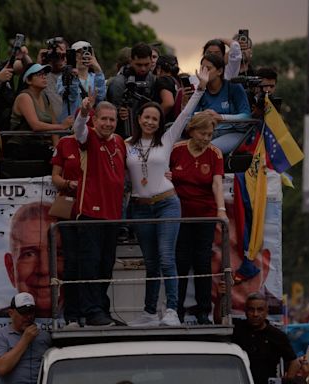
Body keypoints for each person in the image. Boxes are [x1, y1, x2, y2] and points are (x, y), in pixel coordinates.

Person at [125, 67, 208, 327]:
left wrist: (201, 88)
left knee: (165, 257)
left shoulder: (167, 139)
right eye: (146, 117)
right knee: (150, 262)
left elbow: (184, 115)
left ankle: (172, 310)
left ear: (160, 123)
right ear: (139, 119)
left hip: (166, 204)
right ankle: (150, 312)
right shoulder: (125, 144)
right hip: (139, 207)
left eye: (155, 119)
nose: (150, 122)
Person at [72, 98, 126, 326]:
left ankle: (102, 309)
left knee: (106, 265)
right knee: (91, 264)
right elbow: (78, 129)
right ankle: (91, 311)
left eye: (112, 119)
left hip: (112, 215)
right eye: (103, 118)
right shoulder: (88, 137)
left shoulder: (121, 142)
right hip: (90, 213)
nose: (108, 123)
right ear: (95, 120)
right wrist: (83, 112)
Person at [170, 111, 226, 324]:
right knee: (181, 262)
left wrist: (221, 210)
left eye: (210, 134)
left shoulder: (215, 153)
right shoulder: (176, 150)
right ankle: (176, 310)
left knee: (203, 262)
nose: (206, 138)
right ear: (191, 131)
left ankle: (204, 311)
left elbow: (217, 183)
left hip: (205, 215)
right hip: (179, 216)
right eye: (202, 133)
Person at [6, 63, 74, 177]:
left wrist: (57, 147)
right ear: (28, 80)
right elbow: (35, 125)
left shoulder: (45, 96)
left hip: (39, 145)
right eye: (39, 74)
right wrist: (62, 127)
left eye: (44, 74)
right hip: (21, 145)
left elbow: (53, 122)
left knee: (64, 153)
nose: (44, 77)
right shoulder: (24, 97)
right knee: (56, 156)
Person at [3, 202, 64, 318]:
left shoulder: (86, 317)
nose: (44, 269)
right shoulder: (0, 331)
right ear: (11, 268)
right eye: (29, 254)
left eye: (58, 253)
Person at [232, 292, 300, 384]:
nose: (255, 314)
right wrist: (220, 298)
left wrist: (288, 380)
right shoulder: (238, 329)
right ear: (245, 311)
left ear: (266, 312)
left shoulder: (277, 335)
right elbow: (219, 320)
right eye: (251, 310)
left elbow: (294, 362)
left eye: (260, 310)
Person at [51, 134, 82, 326]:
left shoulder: (105, 141)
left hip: (95, 209)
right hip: (69, 209)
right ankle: (72, 313)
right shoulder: (65, 143)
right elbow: (55, 176)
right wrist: (67, 183)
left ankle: (92, 311)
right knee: (72, 262)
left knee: (93, 261)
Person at [0, 292, 51, 384]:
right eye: (23, 313)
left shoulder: (44, 336)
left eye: (31, 311)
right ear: (11, 313)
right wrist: (25, 340)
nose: (28, 317)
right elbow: (1, 368)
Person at [194, 53, 251, 154]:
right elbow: (190, 117)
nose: (204, 72)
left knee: (209, 150)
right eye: (202, 69)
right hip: (206, 134)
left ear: (219, 71)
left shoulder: (234, 87)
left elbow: (246, 116)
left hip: (233, 132)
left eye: (208, 68)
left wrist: (221, 117)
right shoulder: (200, 89)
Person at [107, 42, 156, 138]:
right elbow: (108, 113)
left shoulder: (153, 79)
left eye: (146, 64)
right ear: (131, 61)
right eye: (139, 65)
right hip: (123, 135)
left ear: (151, 60)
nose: (143, 68)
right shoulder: (119, 83)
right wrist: (118, 112)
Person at [57, 41, 106, 122]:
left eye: (86, 53)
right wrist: (73, 76)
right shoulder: (64, 77)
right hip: (72, 125)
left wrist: (97, 69)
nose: (83, 56)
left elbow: (100, 98)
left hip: (91, 124)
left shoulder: (96, 77)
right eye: (78, 53)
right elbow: (71, 97)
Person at [152, 54, 181, 124]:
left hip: (166, 125)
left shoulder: (163, 80)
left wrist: (154, 118)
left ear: (159, 68)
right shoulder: (177, 81)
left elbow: (168, 103)